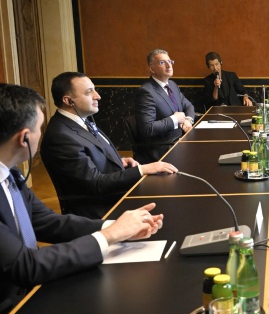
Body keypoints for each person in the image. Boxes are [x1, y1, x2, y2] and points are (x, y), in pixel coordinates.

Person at [0, 83, 163, 314]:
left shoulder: (11, 174)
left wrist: (116, 227)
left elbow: (47, 222)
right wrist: (109, 236)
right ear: (24, 138)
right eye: (40, 128)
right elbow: (26, 266)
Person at [40, 72, 178, 219]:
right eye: (89, 92)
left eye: (95, 89)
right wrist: (141, 169)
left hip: (115, 195)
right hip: (99, 212)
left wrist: (119, 160)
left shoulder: (82, 119)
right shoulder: (61, 136)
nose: (97, 96)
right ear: (69, 101)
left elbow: (92, 152)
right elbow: (94, 184)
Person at [134, 49, 196, 163]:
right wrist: (175, 120)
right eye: (162, 63)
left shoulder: (172, 85)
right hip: (163, 148)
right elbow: (147, 129)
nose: (169, 65)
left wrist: (188, 119)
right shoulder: (146, 92)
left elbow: (188, 106)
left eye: (170, 61)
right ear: (151, 69)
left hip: (180, 140)